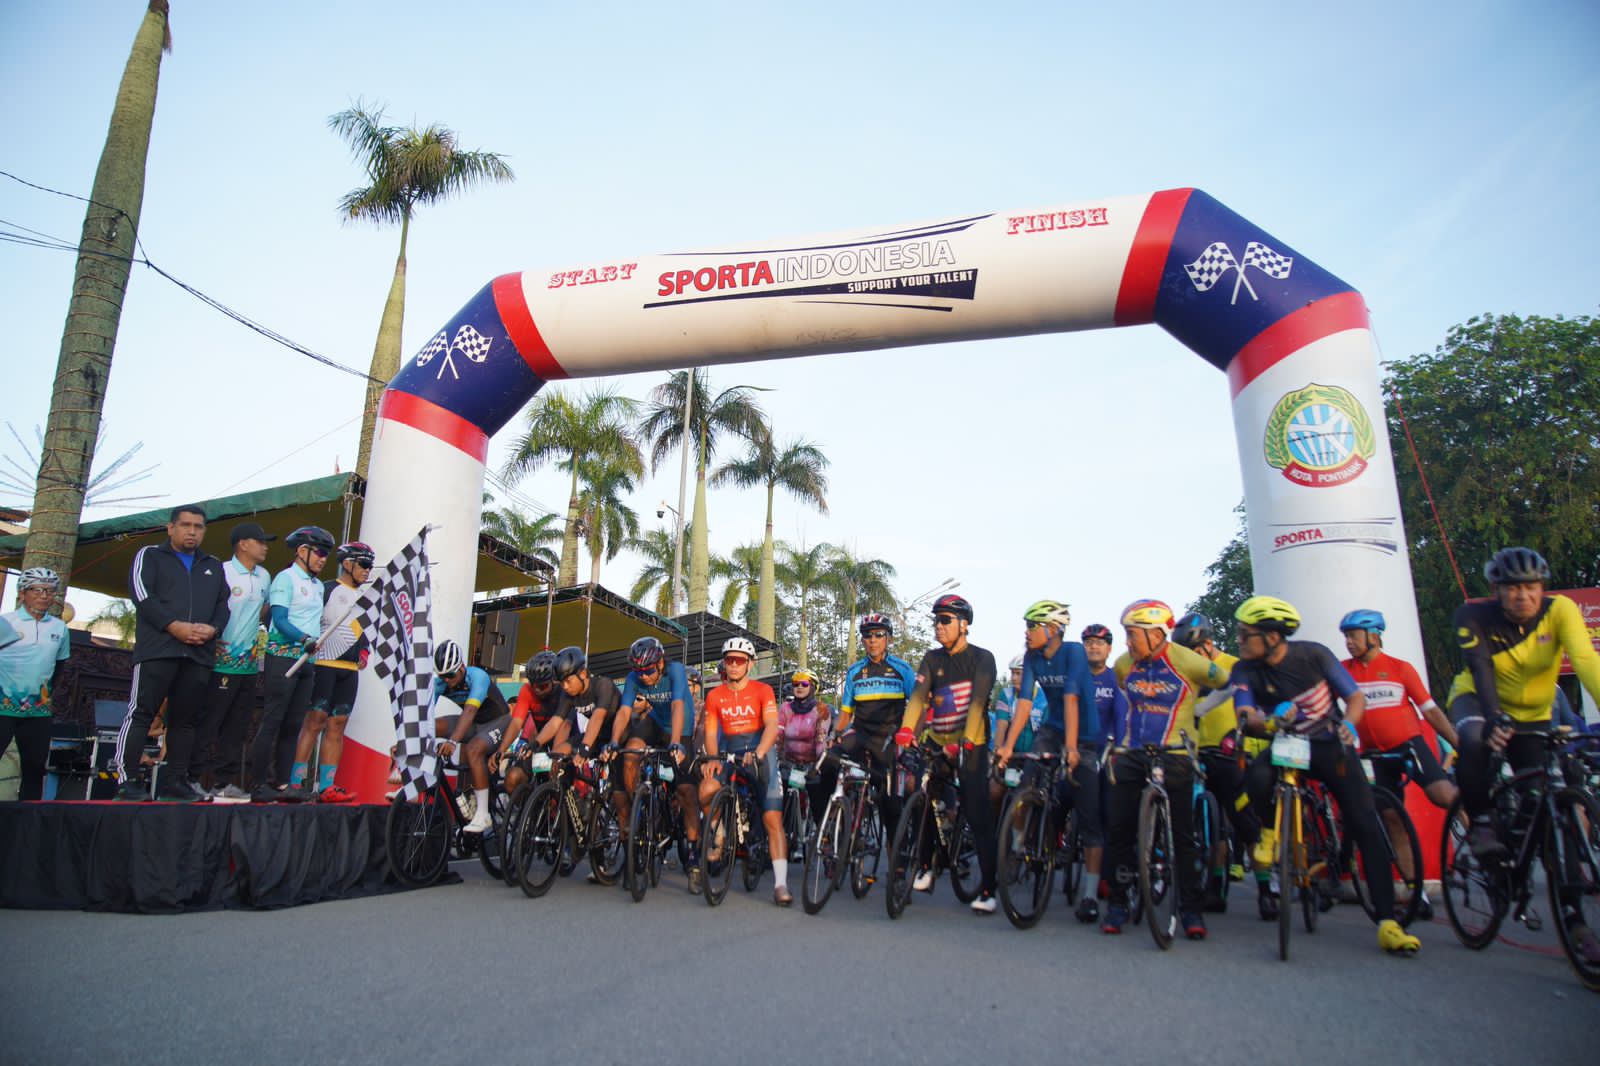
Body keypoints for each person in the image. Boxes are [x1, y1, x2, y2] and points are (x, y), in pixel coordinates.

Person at [1231, 594, 1421, 955]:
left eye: (1245, 634)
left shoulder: (1313, 655)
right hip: (1286, 745)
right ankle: (1270, 834)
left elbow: (1354, 698)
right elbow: (1246, 715)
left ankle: (1388, 923)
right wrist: (1268, 721)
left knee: (1365, 822)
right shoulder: (1244, 669)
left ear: (1272, 637)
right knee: (1255, 778)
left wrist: (1349, 725)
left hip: (1328, 743)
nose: (1239, 640)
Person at [1446, 547, 1600, 963]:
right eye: (1513, 588)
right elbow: (1480, 668)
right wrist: (1495, 716)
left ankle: (1573, 919)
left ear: (1542, 588)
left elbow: (1586, 661)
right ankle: (1480, 825)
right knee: (1475, 741)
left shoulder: (1561, 610)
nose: (1523, 596)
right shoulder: (1472, 616)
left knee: (1555, 803)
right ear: (1496, 589)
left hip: (1534, 716)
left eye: (1531, 587)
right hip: (1479, 702)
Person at [1103, 599, 1228, 939]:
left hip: (1175, 754)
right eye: (1126, 634)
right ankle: (1118, 901)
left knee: (1183, 837)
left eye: (1132, 635)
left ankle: (1190, 909)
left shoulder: (1186, 660)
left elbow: (1229, 683)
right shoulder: (1123, 664)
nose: (1127, 642)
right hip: (1133, 751)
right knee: (1119, 829)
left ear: (1156, 634)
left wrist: (1201, 709)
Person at [114, 505, 231, 801]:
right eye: (186, 525)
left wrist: (213, 629)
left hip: (198, 655)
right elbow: (141, 593)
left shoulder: (214, 565)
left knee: (185, 721)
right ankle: (127, 781)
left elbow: (223, 604)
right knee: (141, 713)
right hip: (159, 650)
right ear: (171, 528)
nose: (192, 531)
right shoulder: (150, 555)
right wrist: (173, 625)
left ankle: (176, 782)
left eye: (199, 526)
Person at [894, 594, 1000, 914]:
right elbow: (917, 698)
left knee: (977, 813)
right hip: (938, 741)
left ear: (964, 624)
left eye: (946, 620)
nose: (938, 626)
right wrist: (907, 731)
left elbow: (978, 702)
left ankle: (988, 888)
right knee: (920, 795)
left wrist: (965, 741)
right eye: (936, 620)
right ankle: (925, 865)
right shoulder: (931, 658)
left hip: (972, 743)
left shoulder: (983, 658)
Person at [996, 600, 1101, 921]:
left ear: (1052, 630)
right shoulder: (1031, 657)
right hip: (1053, 729)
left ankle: (1090, 894)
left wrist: (1071, 749)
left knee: (1090, 816)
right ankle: (1017, 847)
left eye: (1032, 626)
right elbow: (1024, 704)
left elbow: (1071, 698)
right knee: (1024, 783)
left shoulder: (1074, 654)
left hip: (1083, 735)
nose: (1026, 633)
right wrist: (1007, 747)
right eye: (1026, 626)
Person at [1172, 611, 1258, 913]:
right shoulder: (1186, 673)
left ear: (1209, 644)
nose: (1193, 657)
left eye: (1196, 651)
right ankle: (1213, 887)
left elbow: (1249, 705)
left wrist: (1239, 733)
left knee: (1244, 821)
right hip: (1196, 752)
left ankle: (1265, 887)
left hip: (1229, 750)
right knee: (1212, 824)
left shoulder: (1233, 666)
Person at [700, 636, 791, 906]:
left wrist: (761, 753)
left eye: (739, 661)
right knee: (706, 788)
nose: (734, 665)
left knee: (772, 819)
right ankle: (718, 832)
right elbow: (711, 730)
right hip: (729, 751)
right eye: (729, 660)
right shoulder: (714, 695)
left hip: (760, 751)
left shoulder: (763, 691)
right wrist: (713, 757)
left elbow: (772, 726)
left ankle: (781, 884)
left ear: (749, 664)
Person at [247, 525, 334, 802]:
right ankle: (258, 783)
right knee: (273, 720)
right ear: (302, 551)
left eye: (327, 554)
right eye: (319, 552)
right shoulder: (285, 579)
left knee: (294, 724)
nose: (323, 559)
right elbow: (279, 620)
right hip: (283, 657)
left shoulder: (318, 585)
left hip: (308, 660)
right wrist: (304, 637)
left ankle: (284, 784)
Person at [286, 541, 373, 802]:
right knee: (314, 722)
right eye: (364, 565)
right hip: (324, 665)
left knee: (338, 725)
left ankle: (327, 787)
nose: (368, 571)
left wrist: (365, 651)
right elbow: (309, 620)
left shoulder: (367, 597)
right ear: (347, 564)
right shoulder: (327, 590)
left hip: (349, 669)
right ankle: (295, 782)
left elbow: (367, 628)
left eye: (370, 565)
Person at [192, 522, 273, 802]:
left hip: (249, 664)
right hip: (219, 662)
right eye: (260, 541)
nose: (265, 547)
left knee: (238, 727)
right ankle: (193, 779)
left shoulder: (264, 576)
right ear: (243, 544)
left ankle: (224, 782)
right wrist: (211, 640)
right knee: (210, 722)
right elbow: (205, 608)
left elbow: (263, 611)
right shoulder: (222, 571)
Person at [823, 612, 917, 842]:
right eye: (867, 635)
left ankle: (897, 861)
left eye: (878, 635)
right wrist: (834, 734)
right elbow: (845, 713)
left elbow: (916, 707)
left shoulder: (902, 669)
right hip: (861, 733)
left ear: (889, 639)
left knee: (890, 801)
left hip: (889, 737)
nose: (872, 639)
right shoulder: (855, 671)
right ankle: (833, 825)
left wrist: (910, 733)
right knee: (826, 763)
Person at [617, 635, 702, 871]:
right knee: (631, 750)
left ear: (661, 663)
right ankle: (638, 807)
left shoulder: (675, 671)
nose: (643, 676)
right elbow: (624, 712)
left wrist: (676, 743)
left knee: (686, 791)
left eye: (648, 670)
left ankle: (694, 850)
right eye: (639, 671)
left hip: (679, 728)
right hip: (655, 723)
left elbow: (677, 706)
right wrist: (614, 741)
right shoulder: (635, 677)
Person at [0, 569, 70, 800]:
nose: (44, 596)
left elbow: (58, 668)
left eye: (50, 591)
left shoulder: (59, 628)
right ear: (23, 593)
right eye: (37, 590)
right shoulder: (6, 622)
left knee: (34, 769)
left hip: (38, 711)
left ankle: (27, 828)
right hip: (2, 708)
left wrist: (44, 697)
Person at [432, 637, 514, 833]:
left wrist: (452, 741)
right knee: (434, 726)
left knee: (473, 748)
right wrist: (405, 742)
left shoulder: (478, 677)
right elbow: (422, 714)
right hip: (476, 724)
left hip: (499, 722)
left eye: (450, 675)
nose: (447, 680)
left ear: (461, 668)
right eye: (441, 675)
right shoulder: (441, 683)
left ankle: (483, 814)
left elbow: (469, 712)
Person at [1076, 622, 1127, 921]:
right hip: (1076, 751)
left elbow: (1121, 719)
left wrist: (1119, 750)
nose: (1093, 647)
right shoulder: (1077, 678)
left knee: (1107, 814)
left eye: (1100, 643)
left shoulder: (1115, 679)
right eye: (1088, 643)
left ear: (1109, 648)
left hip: (1105, 753)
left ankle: (1102, 879)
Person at [488, 650, 571, 797]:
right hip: (540, 744)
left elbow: (564, 725)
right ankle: (530, 814)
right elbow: (516, 722)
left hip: (565, 743)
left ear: (554, 681)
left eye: (543, 686)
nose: (537, 690)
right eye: (534, 685)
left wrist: (556, 756)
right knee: (512, 778)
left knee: (558, 783)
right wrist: (501, 749)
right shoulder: (527, 691)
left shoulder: (563, 691)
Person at [778, 667, 832, 814]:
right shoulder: (785, 708)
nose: (799, 687)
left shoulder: (821, 709)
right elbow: (778, 735)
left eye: (804, 684)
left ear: (813, 687)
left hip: (811, 766)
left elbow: (821, 739)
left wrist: (818, 765)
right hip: (788, 764)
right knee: (781, 807)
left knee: (817, 805)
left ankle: (822, 833)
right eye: (796, 684)